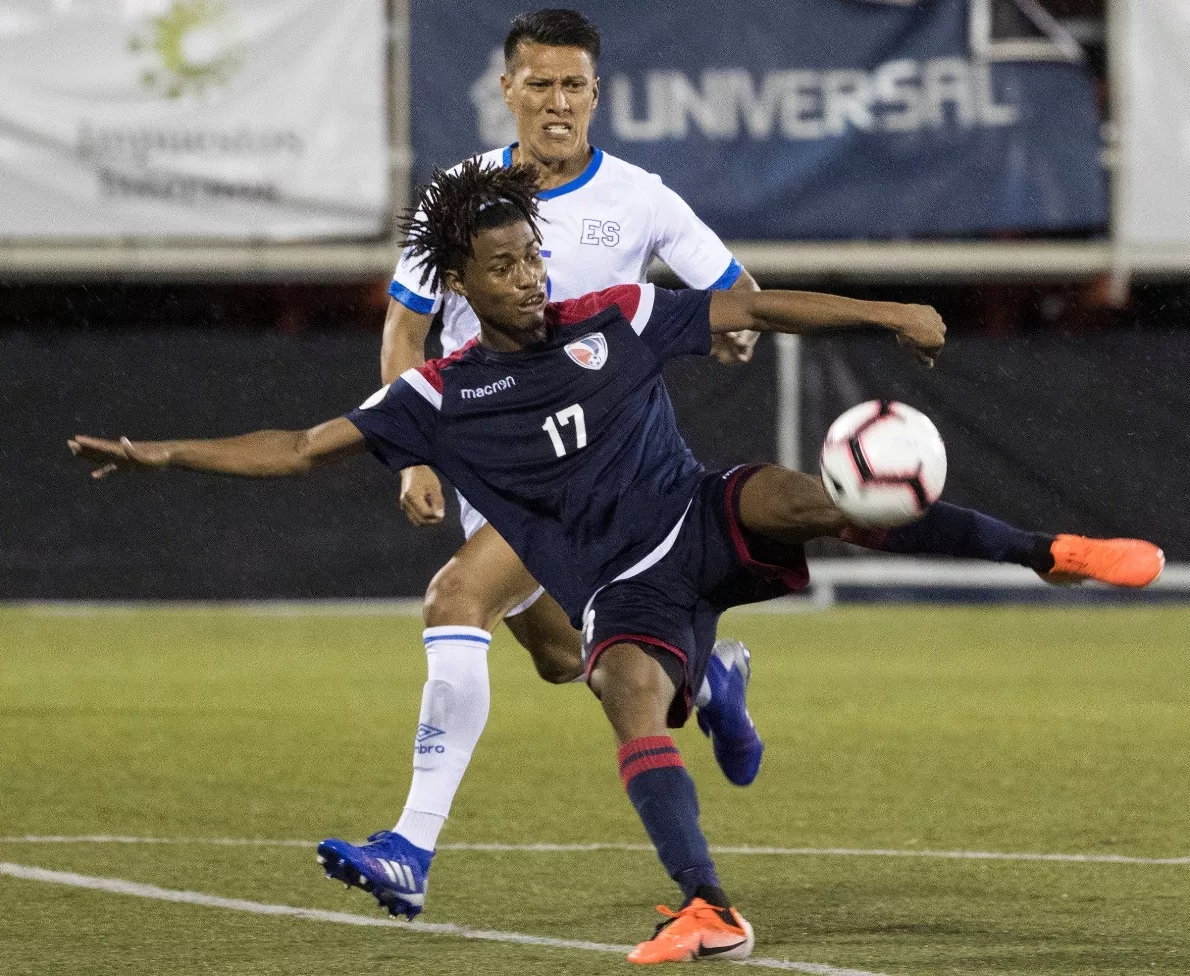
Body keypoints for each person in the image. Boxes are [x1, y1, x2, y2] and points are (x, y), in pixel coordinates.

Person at [69, 162, 1164, 963]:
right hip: (620, 589)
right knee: (623, 694)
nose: (531, 276)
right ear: (458, 283)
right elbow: (300, 448)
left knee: (804, 498)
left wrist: (887, 313)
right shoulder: (438, 398)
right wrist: (161, 451)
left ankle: (1047, 553)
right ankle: (707, 906)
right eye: (503, 265)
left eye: (534, 252)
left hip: (696, 511)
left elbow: (750, 303)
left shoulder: (614, 314)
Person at [370, 6, 770, 916]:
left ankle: (410, 847)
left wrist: (738, 328)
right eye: (539, 84)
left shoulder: (640, 196)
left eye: (574, 86)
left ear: (597, 93)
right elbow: (406, 326)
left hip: (604, 473)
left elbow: (736, 291)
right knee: (566, 659)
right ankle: (712, 679)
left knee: (455, 597)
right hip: (498, 467)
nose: (558, 103)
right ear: (505, 90)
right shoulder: (457, 198)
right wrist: (412, 452)